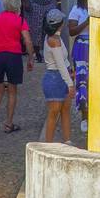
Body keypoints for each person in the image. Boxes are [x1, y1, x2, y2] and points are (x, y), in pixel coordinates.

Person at [0, 0, 33, 133]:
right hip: (13, 56)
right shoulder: (20, 20)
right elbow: (27, 40)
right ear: (17, 5)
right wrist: (31, 57)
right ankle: (9, 124)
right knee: (12, 91)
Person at [41, 9, 73, 144]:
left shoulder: (55, 37)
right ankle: (48, 144)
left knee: (65, 110)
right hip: (55, 78)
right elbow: (60, 64)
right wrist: (70, 83)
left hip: (59, 77)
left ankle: (67, 141)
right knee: (54, 113)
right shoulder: (54, 40)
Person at [68, 0, 90, 133]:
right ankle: (84, 116)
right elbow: (71, 31)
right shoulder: (77, 9)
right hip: (82, 45)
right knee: (82, 80)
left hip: (97, 45)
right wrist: (86, 23)